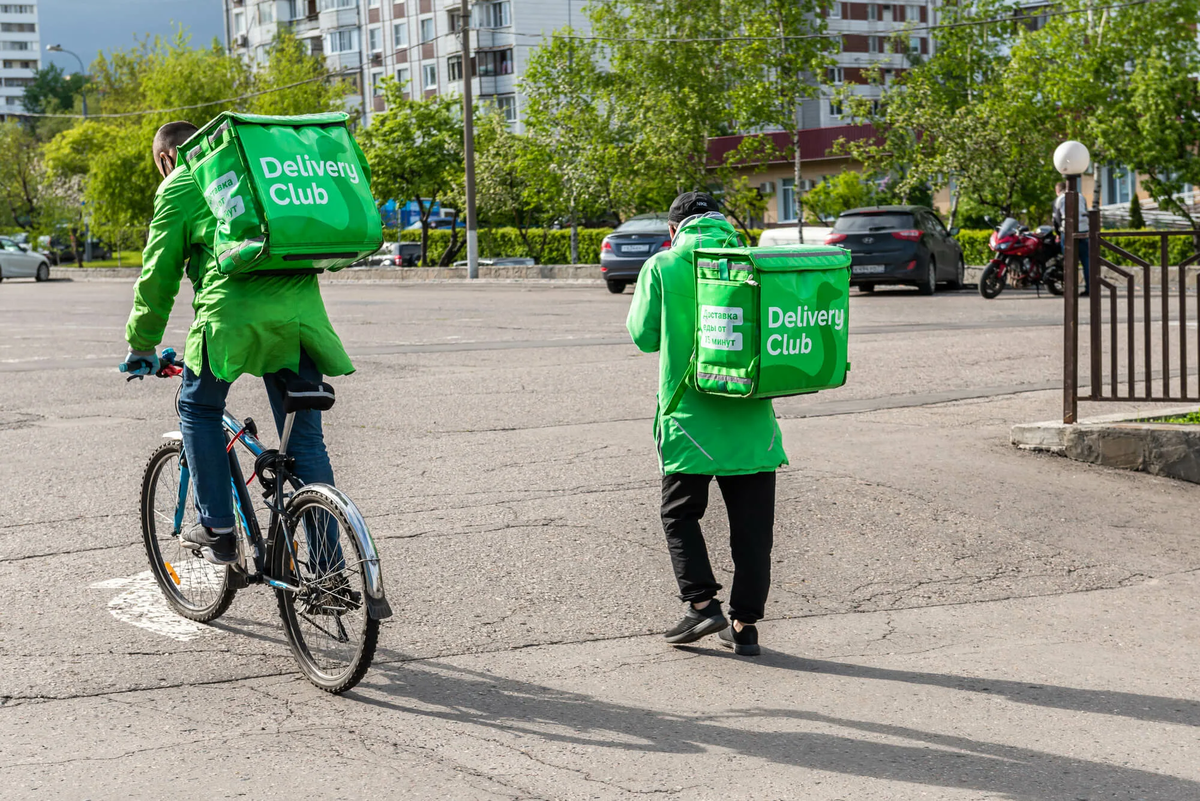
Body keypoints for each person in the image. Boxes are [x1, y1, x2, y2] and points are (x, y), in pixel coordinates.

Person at [122, 121, 354, 565]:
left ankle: (218, 529)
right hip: (301, 321)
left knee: (198, 409)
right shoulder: (261, 173)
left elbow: (158, 275)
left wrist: (142, 345)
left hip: (229, 322)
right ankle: (331, 569)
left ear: (166, 158)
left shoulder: (181, 181)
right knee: (305, 444)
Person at [625, 192, 788, 657]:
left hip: (690, 421)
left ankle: (701, 604)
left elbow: (643, 337)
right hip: (753, 420)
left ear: (673, 230)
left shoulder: (663, 265)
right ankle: (744, 625)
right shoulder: (751, 262)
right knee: (753, 530)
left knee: (679, 515)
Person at [1053, 181, 1091, 297]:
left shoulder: (1060, 199)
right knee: (1086, 261)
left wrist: (1058, 233)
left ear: (1058, 190)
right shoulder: (1081, 197)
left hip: (1068, 232)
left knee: (1069, 262)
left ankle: (1071, 289)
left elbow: (1056, 218)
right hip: (1084, 231)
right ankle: (1089, 288)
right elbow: (1086, 212)